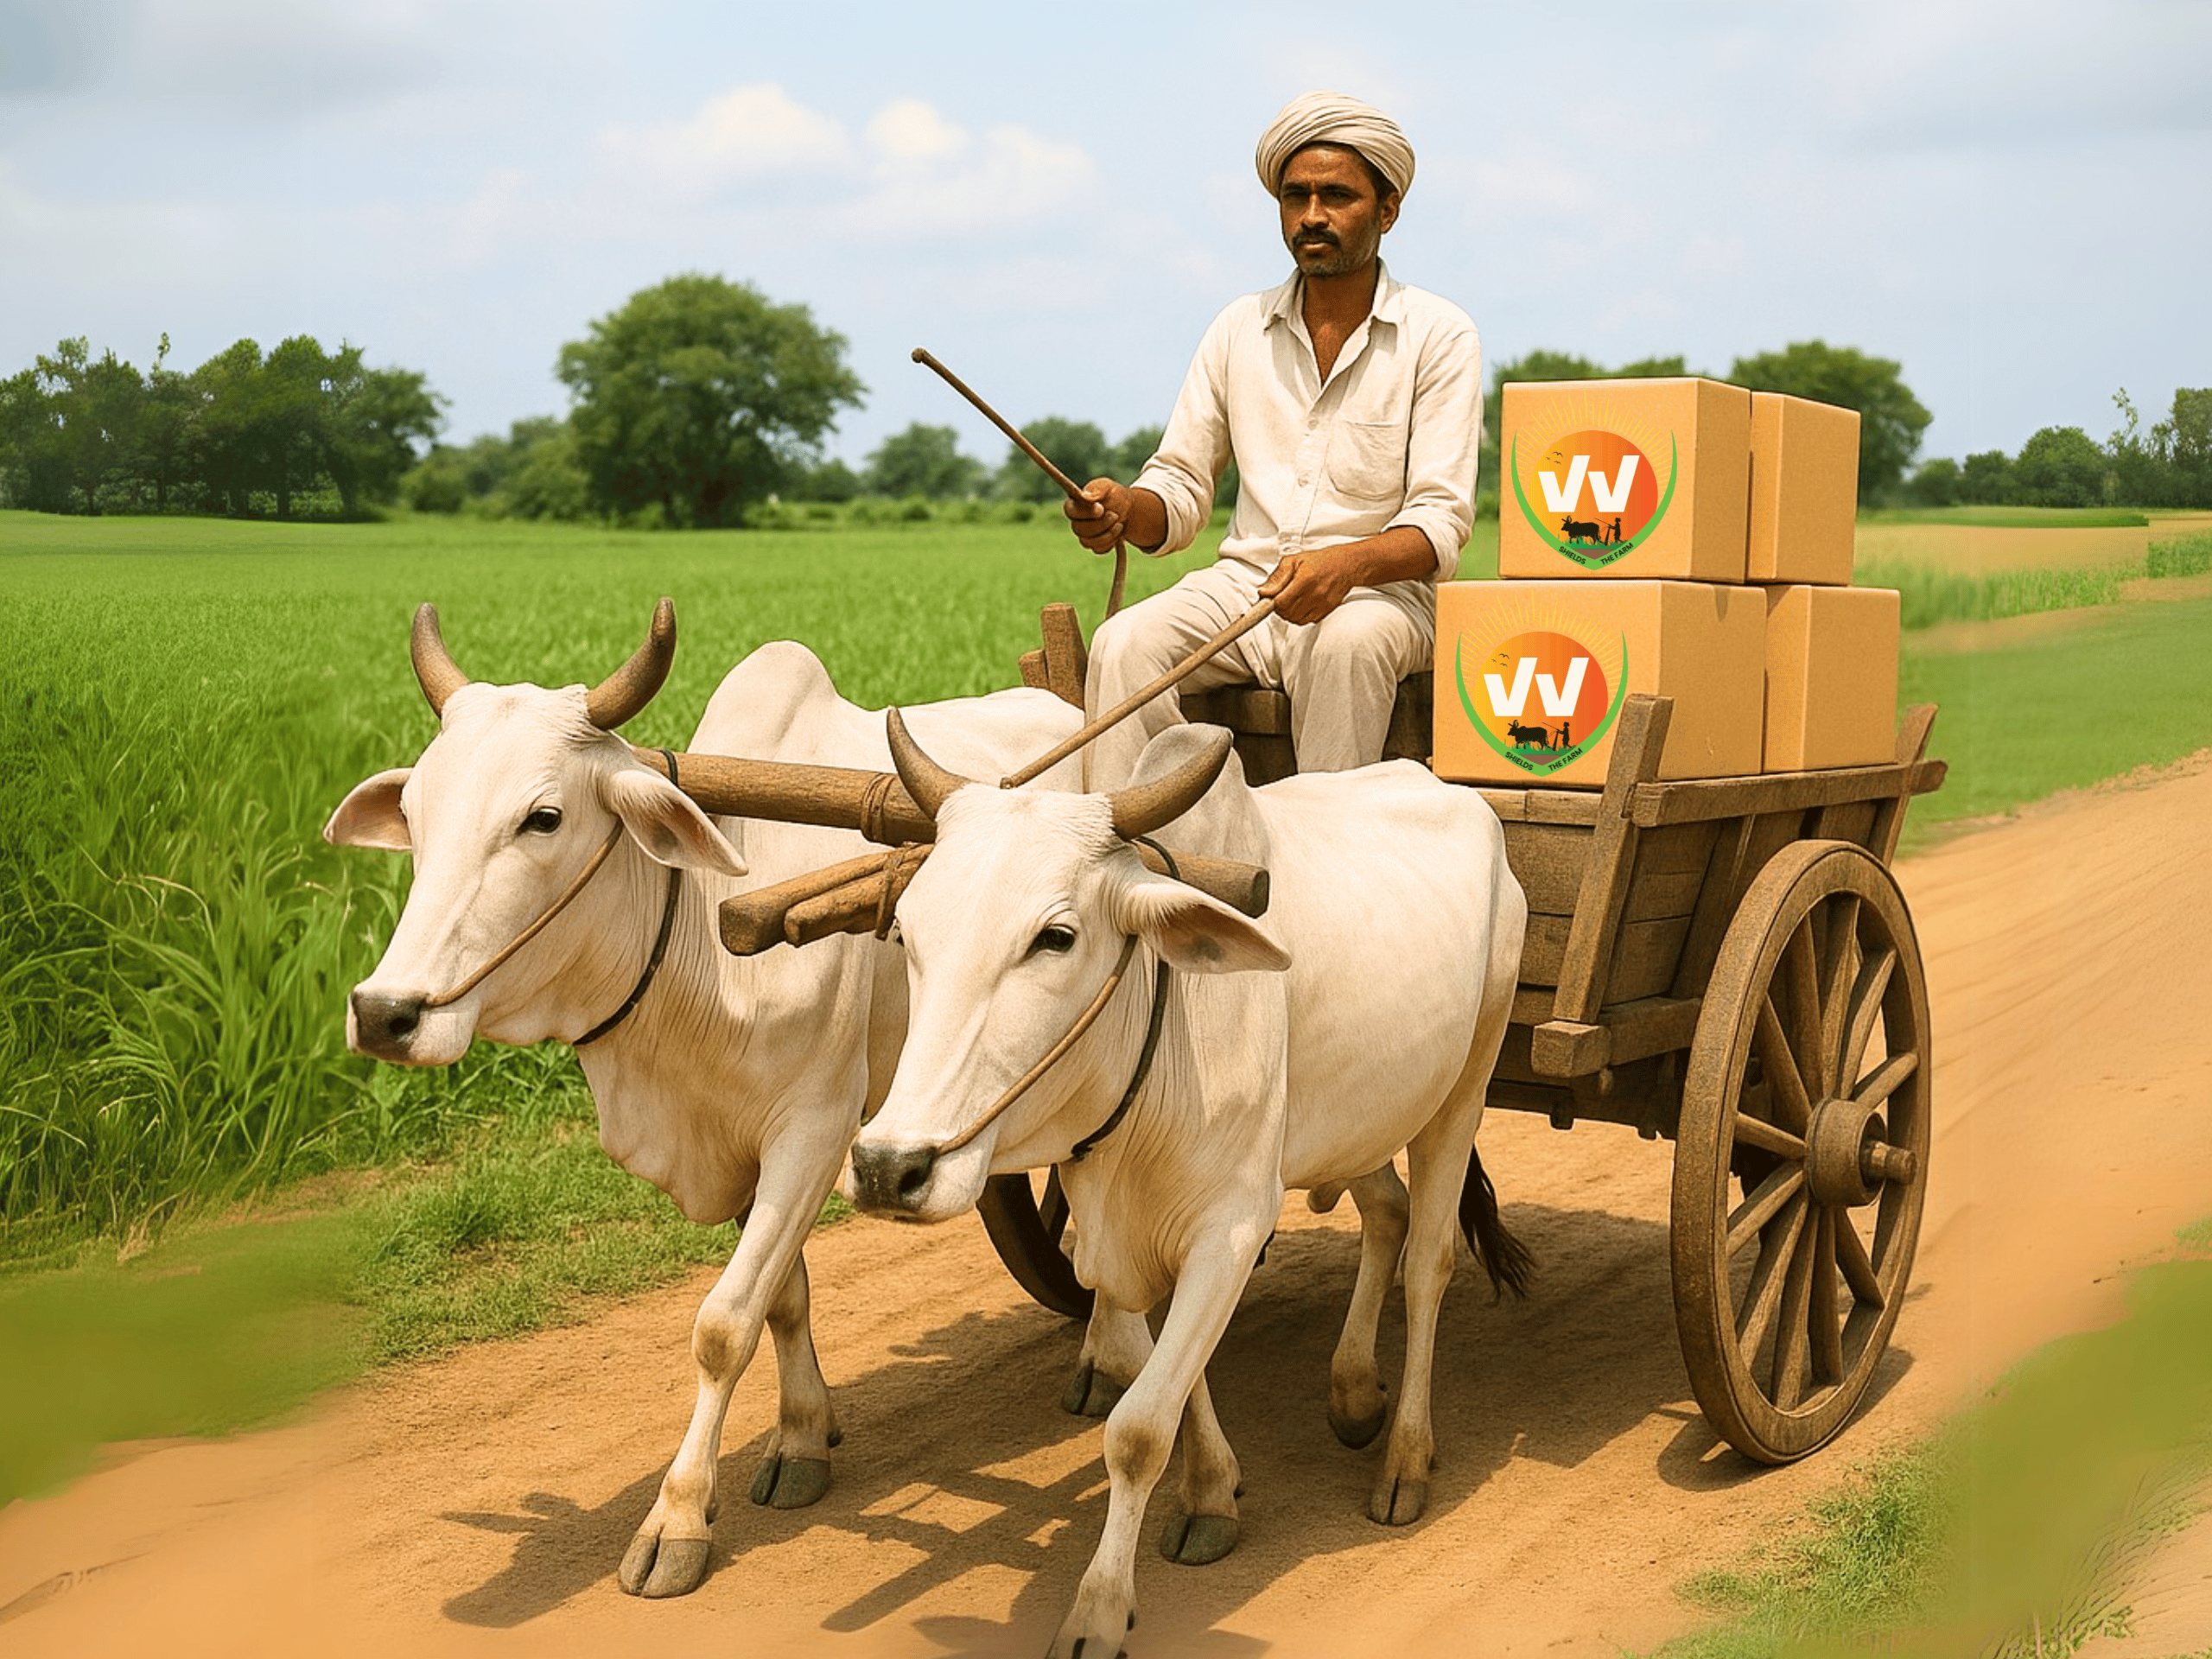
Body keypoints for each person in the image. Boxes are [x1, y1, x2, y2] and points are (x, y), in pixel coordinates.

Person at [1065, 90, 1483, 787]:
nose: (1313, 215)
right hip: (1247, 590)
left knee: (1347, 644)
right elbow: (1179, 488)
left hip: (1378, 601)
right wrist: (1121, 508)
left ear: (1387, 210)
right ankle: (1135, 852)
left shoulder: (1438, 333)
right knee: (1123, 643)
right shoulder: (1238, 327)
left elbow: (1439, 525)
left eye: (1337, 196)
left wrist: (1344, 567)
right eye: (1296, 196)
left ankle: (1324, 862)